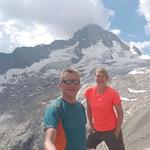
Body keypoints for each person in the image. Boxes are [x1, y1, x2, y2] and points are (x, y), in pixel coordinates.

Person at [43, 68, 87, 150]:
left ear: (79, 85)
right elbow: (48, 142)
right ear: (60, 86)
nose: (72, 85)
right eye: (67, 81)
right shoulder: (54, 108)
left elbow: (80, 137)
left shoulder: (80, 107)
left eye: (76, 81)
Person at [84, 67, 125, 150]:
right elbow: (89, 109)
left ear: (107, 78)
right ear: (95, 77)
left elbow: (120, 114)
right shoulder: (89, 91)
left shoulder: (112, 93)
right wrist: (90, 124)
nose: (100, 78)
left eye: (103, 76)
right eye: (98, 76)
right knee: (87, 146)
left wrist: (116, 132)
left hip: (111, 130)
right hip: (96, 129)